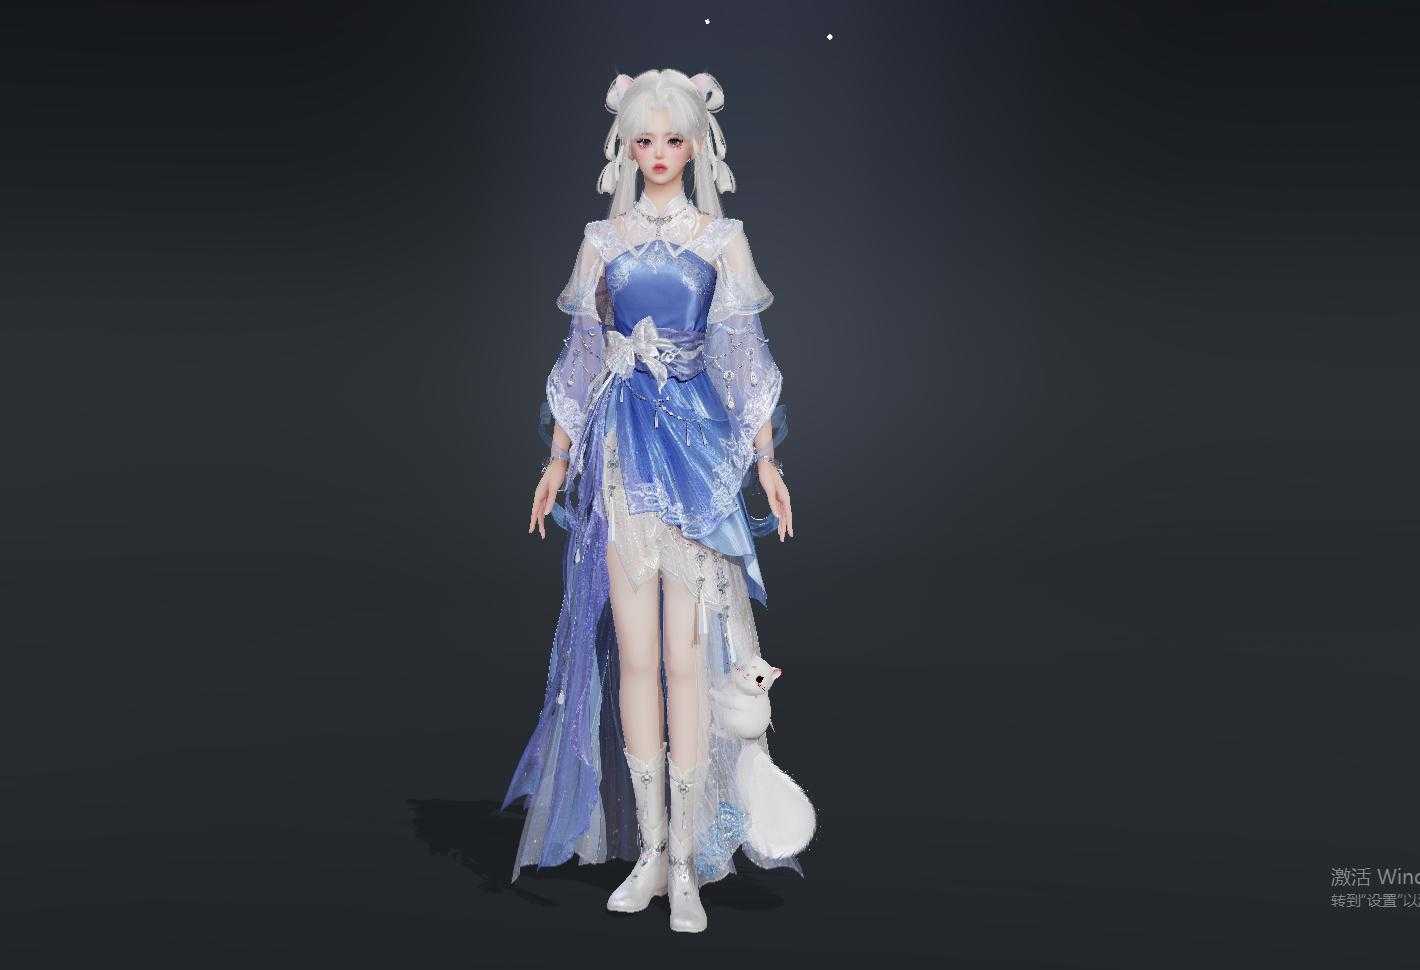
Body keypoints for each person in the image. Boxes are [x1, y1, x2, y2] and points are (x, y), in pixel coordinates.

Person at [500, 68, 806, 934]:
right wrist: (556, 458)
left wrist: (768, 463)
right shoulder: (602, 240)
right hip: (620, 450)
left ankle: (685, 866)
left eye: (673, 139)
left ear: (697, 145)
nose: (659, 153)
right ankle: (650, 849)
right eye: (645, 140)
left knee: (684, 658)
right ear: (626, 147)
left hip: (696, 454)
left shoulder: (722, 239)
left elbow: (745, 360)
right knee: (635, 656)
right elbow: (580, 358)